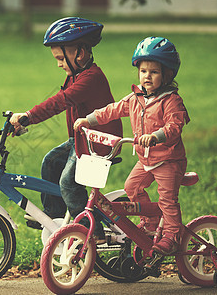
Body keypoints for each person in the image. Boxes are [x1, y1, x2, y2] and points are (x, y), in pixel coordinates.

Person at [10, 17, 123, 243]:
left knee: (68, 182)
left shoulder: (91, 78)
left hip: (99, 143)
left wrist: (29, 116)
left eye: (61, 58)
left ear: (80, 54)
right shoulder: (76, 75)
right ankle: (56, 216)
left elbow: (61, 101)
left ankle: (91, 230)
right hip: (80, 139)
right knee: (50, 162)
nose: (59, 63)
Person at [74, 36, 190, 254]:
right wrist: (88, 120)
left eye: (154, 72)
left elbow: (175, 126)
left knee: (167, 200)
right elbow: (113, 109)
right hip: (146, 159)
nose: (147, 76)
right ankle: (150, 221)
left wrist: (156, 135)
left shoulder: (171, 100)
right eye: (143, 71)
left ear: (168, 75)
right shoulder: (136, 98)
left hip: (168, 160)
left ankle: (172, 236)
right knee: (132, 188)